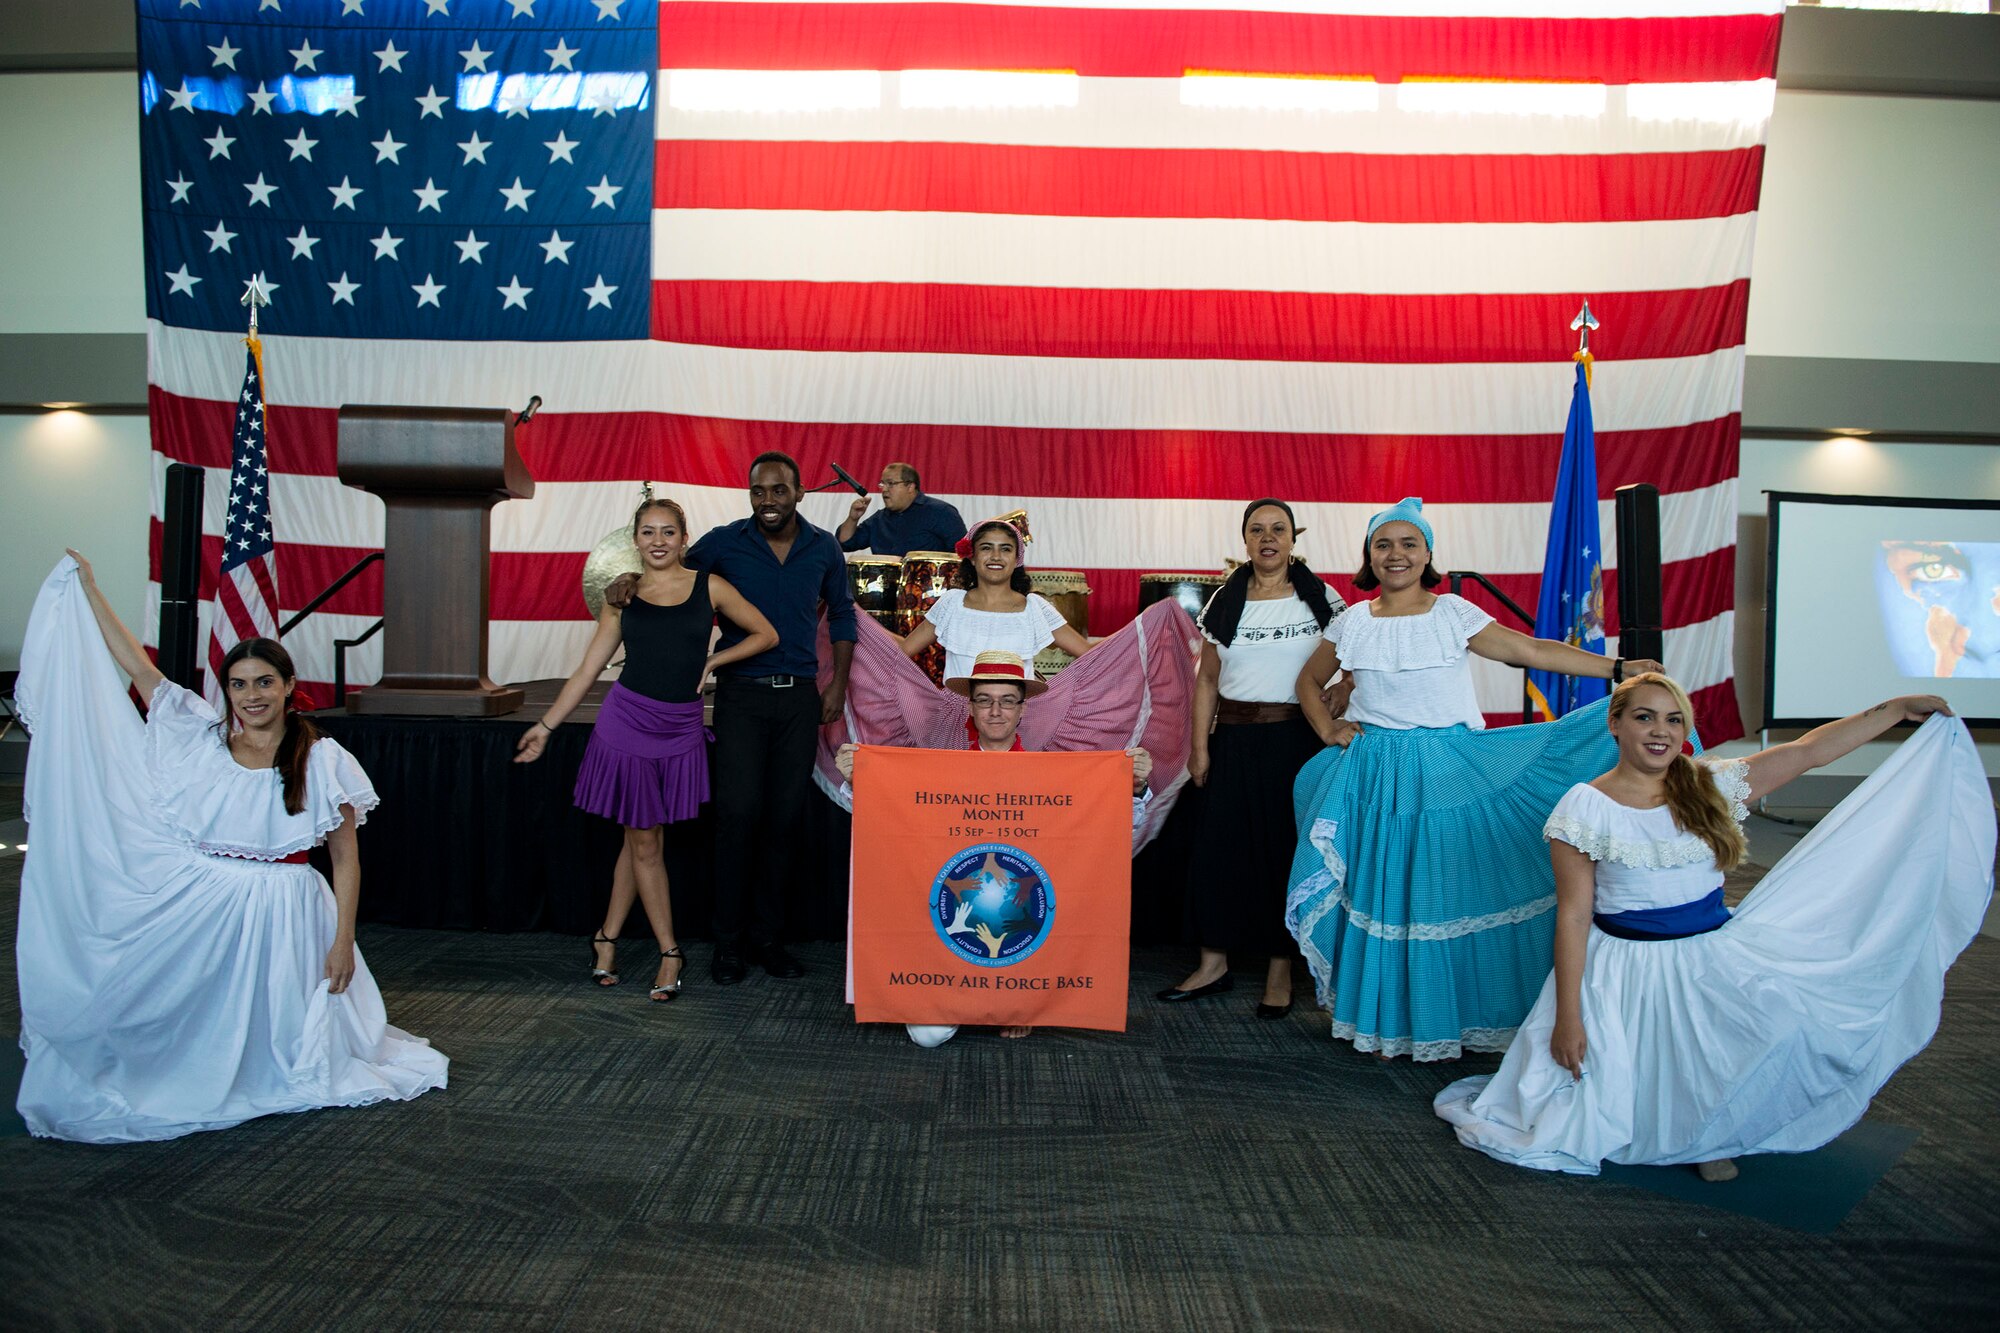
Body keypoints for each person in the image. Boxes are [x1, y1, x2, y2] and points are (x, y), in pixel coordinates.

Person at [1435, 675, 1993, 1179]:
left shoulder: (1709, 784)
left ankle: (1711, 1134)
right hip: (1625, 965)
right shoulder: (1585, 807)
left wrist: (1893, 707)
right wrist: (1568, 1017)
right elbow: (1575, 914)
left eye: (1674, 719)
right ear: (1615, 723)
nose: (1660, 731)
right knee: (1607, 1079)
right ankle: (1677, 1134)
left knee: (1766, 1031)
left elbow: (1809, 751)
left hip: (1709, 952)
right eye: (1645, 717)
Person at [13, 553, 447, 1142]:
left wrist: (343, 941)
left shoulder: (323, 759)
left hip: (288, 911)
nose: (251, 695)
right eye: (238, 684)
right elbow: (139, 670)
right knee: (161, 1011)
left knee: (276, 1035)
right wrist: (89, 587)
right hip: (204, 903)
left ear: (289, 686)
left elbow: (346, 859)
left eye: (264, 682)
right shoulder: (202, 739)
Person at [1285, 497, 1665, 1061]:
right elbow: (1307, 682)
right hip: (1378, 773)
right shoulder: (1353, 621)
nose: (1396, 555)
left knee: (1440, 891)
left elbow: (1529, 650)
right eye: (1383, 545)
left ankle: (1448, 1014)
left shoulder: (1452, 613)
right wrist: (1328, 730)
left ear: (1428, 553)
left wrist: (1614, 670)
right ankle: (1389, 1020)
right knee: (1388, 891)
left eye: (1408, 543)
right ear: (1369, 555)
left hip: (1449, 767)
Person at [515, 494, 778, 1002]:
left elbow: (766, 634)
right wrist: (546, 727)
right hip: (626, 724)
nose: (658, 541)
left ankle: (605, 938)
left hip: (678, 728)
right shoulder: (623, 598)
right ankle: (669, 951)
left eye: (668, 532)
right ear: (634, 540)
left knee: (639, 840)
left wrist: (711, 664)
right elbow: (588, 670)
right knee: (644, 840)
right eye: (648, 532)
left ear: (683, 539)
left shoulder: (711, 587)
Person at [611, 453, 857, 986]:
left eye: (778, 490)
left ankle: (768, 940)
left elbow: (841, 614)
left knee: (784, 821)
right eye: (758, 492)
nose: (768, 500)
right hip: (742, 698)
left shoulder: (824, 547)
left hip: (799, 700)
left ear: (798, 492)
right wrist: (629, 579)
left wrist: (835, 684)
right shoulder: (724, 542)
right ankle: (727, 944)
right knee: (737, 818)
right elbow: (671, 572)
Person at [836, 651, 1154, 1046]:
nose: (996, 711)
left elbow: (1110, 834)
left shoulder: (1053, 774)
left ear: (1023, 710)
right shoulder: (939, 772)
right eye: (984, 700)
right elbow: (882, 826)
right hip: (947, 932)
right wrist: (858, 780)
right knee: (927, 1035)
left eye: (1007, 700)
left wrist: (1135, 788)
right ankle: (978, 1001)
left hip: (1022, 926)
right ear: (971, 707)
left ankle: (1018, 1000)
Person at [1161, 499, 1343, 1017]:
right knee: (1218, 851)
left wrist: (1345, 690)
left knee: (1283, 852)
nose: (1268, 538)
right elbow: (1208, 680)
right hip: (1234, 739)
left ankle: (1279, 968)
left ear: (1293, 539)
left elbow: (1356, 658)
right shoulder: (1225, 599)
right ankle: (1212, 962)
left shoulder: (1319, 597)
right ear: (1245, 540)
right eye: (1257, 530)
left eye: (1278, 530)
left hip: (1296, 739)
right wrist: (1200, 747)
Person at [896, 516, 1092, 681]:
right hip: (959, 719)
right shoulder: (952, 603)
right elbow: (904, 648)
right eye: (986, 548)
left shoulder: (1034, 607)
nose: (996, 556)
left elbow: (1088, 652)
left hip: (1015, 721)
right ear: (972, 557)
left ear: (1017, 559)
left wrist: (1125, 634)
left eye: (1006, 549)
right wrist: (863, 618)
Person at [836, 461, 967, 558]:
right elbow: (845, 544)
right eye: (883, 484)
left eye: (891, 483)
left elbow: (964, 554)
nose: (884, 489)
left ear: (910, 487)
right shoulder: (879, 519)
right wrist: (853, 518)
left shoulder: (942, 512)